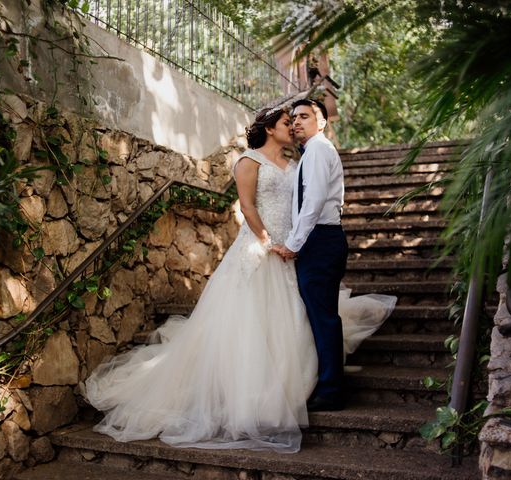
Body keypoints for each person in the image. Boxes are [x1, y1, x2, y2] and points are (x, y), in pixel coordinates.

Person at [83, 105, 396, 453]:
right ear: (268, 128)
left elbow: (309, 202)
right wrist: (265, 242)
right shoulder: (249, 161)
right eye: (285, 122)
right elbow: (247, 207)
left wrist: (290, 244)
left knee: (293, 316)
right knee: (251, 320)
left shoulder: (297, 161)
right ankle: (252, 394)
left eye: (296, 121)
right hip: (262, 248)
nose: (291, 127)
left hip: (291, 249)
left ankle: (301, 384)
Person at [272, 98, 349, 411]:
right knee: (319, 313)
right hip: (320, 240)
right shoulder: (312, 152)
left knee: (323, 315)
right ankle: (326, 381)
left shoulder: (318, 149)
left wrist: (294, 243)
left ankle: (331, 390)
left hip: (321, 240)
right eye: (293, 118)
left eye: (304, 116)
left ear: (322, 121)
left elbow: (313, 202)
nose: (296, 122)